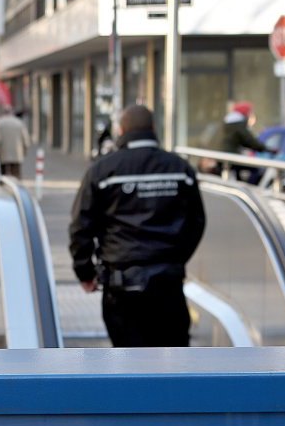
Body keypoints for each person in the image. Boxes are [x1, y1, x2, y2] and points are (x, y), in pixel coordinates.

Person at [68, 104, 206, 347]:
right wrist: (176, 259)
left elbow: (81, 226)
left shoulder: (102, 171)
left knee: (128, 364)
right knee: (174, 362)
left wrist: (85, 272)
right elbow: (196, 221)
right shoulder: (180, 169)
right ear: (153, 128)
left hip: (121, 287)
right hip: (168, 284)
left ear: (121, 130)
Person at [0, 108, 30, 178]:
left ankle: (5, 187)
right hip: (17, 154)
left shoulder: (0, 123)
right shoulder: (19, 123)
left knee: (4, 176)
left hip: (3, 154)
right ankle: (16, 186)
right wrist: (24, 152)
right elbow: (26, 140)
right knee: (16, 174)